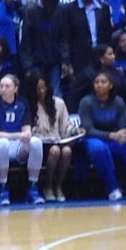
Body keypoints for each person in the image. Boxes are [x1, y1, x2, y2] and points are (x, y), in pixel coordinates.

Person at [78, 71, 126, 202]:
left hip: (114, 141)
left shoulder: (118, 101)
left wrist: (123, 133)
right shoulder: (86, 102)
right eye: (96, 82)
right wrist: (111, 135)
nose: (99, 85)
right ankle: (112, 187)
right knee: (98, 147)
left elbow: (122, 125)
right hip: (93, 140)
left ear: (111, 85)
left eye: (103, 82)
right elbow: (88, 130)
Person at [0, 74, 45, 206]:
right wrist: (19, 135)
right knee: (3, 143)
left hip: (17, 145)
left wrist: (26, 135)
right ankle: (2, 188)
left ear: (15, 88)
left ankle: (32, 187)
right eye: (1, 86)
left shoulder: (22, 103)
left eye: (7, 86)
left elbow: (26, 131)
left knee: (36, 142)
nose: (3, 89)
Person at [61, 0, 113, 112]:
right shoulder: (69, 9)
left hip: (99, 56)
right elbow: (65, 37)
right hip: (78, 58)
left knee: (101, 87)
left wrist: (107, 55)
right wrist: (67, 61)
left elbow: (107, 34)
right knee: (79, 89)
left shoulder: (103, 8)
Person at [25, 73, 73, 202]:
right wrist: (36, 129)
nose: (41, 91)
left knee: (67, 151)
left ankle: (59, 185)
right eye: (38, 89)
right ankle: (47, 185)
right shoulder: (28, 105)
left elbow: (65, 126)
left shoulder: (59, 103)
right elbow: (24, 128)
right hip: (39, 145)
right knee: (55, 151)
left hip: (57, 140)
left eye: (43, 87)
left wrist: (73, 130)